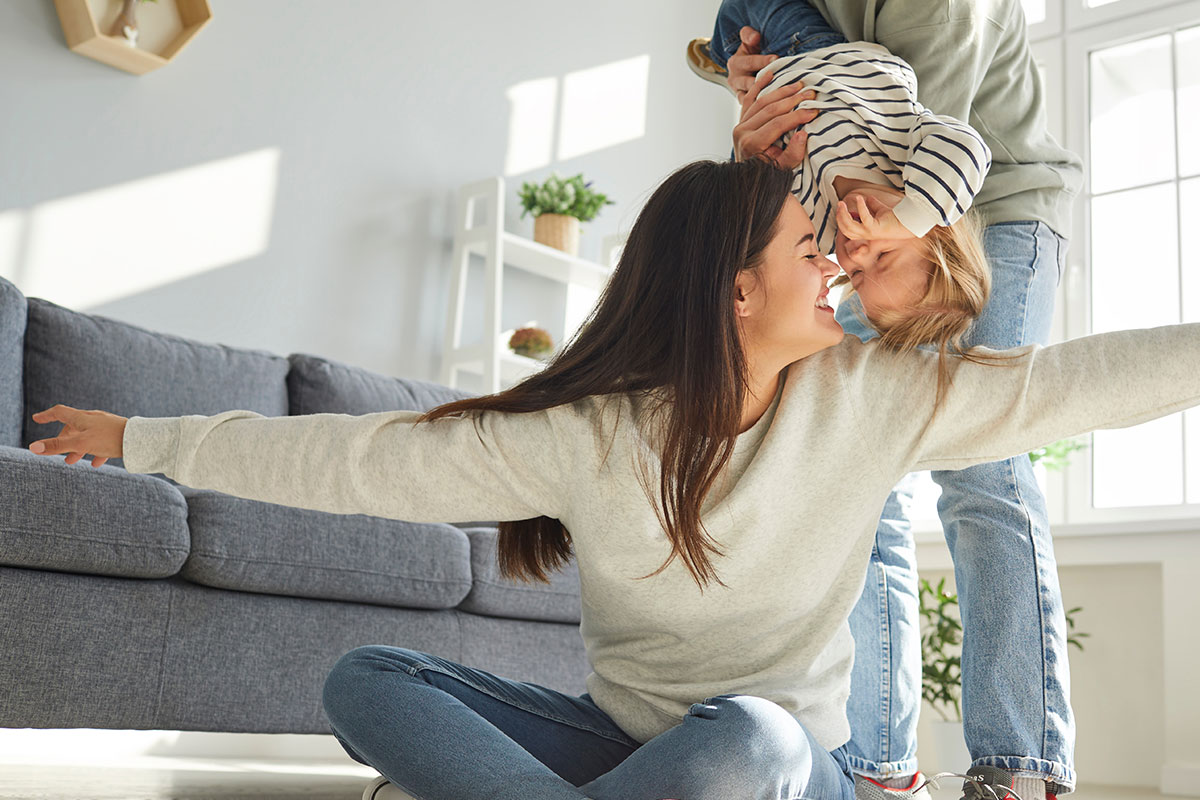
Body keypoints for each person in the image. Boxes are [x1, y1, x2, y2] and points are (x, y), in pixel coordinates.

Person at [27, 159, 1194, 800]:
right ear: (739, 293)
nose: (836, 258)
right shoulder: (593, 435)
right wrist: (144, 438)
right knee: (367, 677)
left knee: (759, 740)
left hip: (782, 769)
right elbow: (357, 457)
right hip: (626, 748)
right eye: (808, 247)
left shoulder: (878, 398)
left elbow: (1071, 382)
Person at [695, 2, 1086, 798]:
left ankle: (1021, 765)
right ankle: (875, 768)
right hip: (874, 237)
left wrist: (864, 220)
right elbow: (803, 165)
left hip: (986, 212)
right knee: (856, 478)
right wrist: (755, 95)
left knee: (982, 466)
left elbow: (923, 136)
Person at [689, 0, 996, 367]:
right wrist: (904, 218)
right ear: (937, 229)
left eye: (857, 275)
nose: (855, 255)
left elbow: (750, 208)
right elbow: (968, 148)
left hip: (771, 83)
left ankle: (724, 60)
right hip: (822, 52)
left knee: (735, 29)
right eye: (883, 256)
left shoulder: (816, 224)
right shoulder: (907, 159)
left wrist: (749, 162)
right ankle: (723, 58)